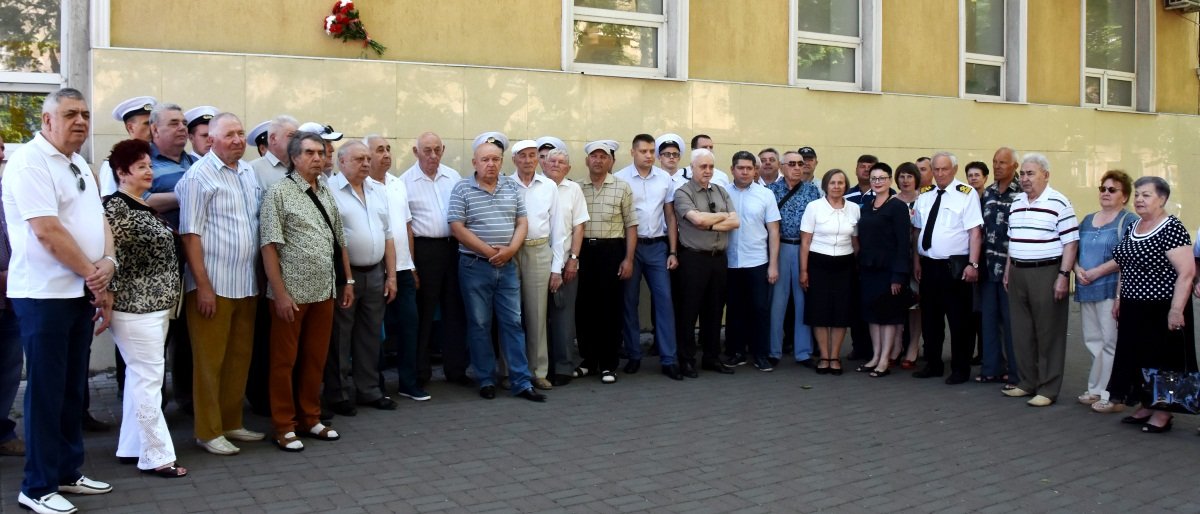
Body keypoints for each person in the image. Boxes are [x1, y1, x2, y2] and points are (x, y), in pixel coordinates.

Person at [4, 87, 116, 514]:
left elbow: (99, 218)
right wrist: (94, 276)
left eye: (85, 113)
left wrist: (108, 263)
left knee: (72, 389)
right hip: (44, 295)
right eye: (70, 114)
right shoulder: (30, 162)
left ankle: (68, 471)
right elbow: (47, 232)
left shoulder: (78, 163)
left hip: (78, 292)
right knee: (46, 392)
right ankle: (36, 487)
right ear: (47, 120)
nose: (81, 121)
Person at [175, 112, 266, 456]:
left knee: (239, 357)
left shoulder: (247, 173)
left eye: (241, 133)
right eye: (229, 134)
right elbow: (190, 234)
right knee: (209, 361)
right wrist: (203, 286)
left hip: (245, 282)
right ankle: (208, 430)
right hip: (213, 284)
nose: (238, 140)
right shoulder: (198, 176)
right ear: (211, 140)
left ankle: (231, 422)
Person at [260, 132, 354, 451]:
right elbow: (269, 246)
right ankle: (284, 425)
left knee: (315, 358)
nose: (318, 158)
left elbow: (340, 239)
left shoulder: (325, 190)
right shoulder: (279, 192)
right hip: (292, 293)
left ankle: (310, 418)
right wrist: (280, 293)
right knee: (284, 361)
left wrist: (348, 280)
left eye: (321, 153)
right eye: (310, 153)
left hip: (324, 291)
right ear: (294, 158)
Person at [102, 139, 188, 478]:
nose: (149, 171)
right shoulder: (115, 208)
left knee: (141, 376)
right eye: (141, 167)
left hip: (154, 307)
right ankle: (156, 455)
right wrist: (106, 294)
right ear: (122, 173)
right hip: (134, 307)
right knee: (149, 379)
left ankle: (131, 446)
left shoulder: (141, 204)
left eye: (149, 165)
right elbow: (106, 255)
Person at [448, 132, 545, 402]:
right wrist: (490, 252)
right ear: (474, 162)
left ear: (502, 161)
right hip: (475, 266)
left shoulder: (511, 186)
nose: (491, 164)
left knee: (513, 323)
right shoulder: (462, 188)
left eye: (495, 159)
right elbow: (457, 227)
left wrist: (511, 250)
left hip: (508, 266)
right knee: (480, 324)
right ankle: (486, 379)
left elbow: (522, 222)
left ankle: (521, 381)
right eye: (485, 159)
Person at [1101, 177, 1195, 432]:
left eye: (1146, 195)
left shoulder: (1172, 228)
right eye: (1138, 195)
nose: (1139, 199)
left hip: (1162, 307)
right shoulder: (1135, 225)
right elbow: (1125, 264)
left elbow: (1187, 272)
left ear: (1162, 199)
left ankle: (1164, 412)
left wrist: (1176, 310)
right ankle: (1147, 403)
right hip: (1134, 306)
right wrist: (1119, 297)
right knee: (1137, 356)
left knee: (1163, 359)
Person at [324, 141, 398, 414]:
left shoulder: (376, 190)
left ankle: (369, 390)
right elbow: (335, 240)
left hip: (376, 272)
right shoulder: (329, 190)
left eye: (368, 158)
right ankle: (339, 393)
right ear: (342, 161)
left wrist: (391, 276)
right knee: (341, 336)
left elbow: (388, 235)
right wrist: (347, 279)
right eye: (359, 159)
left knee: (370, 335)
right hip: (347, 275)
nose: (366, 163)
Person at [1000, 153, 1079, 407]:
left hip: (1046, 272)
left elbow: (1070, 243)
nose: (1025, 178)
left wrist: (1063, 276)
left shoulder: (1059, 202)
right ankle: (1026, 382)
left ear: (1046, 175)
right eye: (1022, 174)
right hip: (1018, 271)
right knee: (1021, 331)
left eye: (1030, 173)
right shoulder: (1016, 201)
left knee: (1048, 333)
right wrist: (1008, 270)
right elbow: (1012, 239)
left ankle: (1048, 388)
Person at [401, 132, 469, 386]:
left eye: (437, 150)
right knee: (424, 313)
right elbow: (405, 227)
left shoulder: (453, 177)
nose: (432, 155)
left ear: (443, 150)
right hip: (424, 250)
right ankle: (420, 371)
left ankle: (456, 370)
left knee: (455, 310)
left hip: (454, 248)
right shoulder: (404, 182)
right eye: (426, 150)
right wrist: (411, 264)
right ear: (415, 152)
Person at [365, 135, 429, 402]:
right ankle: (375, 385)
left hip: (403, 269)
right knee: (374, 331)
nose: (386, 154)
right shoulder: (362, 185)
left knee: (409, 326)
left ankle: (408, 382)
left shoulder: (397, 184)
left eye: (389, 149)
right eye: (380, 150)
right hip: (376, 270)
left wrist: (411, 265)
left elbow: (407, 227)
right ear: (367, 156)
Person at [613, 133, 681, 379]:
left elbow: (670, 216)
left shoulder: (664, 179)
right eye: (643, 151)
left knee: (664, 301)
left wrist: (672, 251)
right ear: (633, 152)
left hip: (658, 247)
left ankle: (668, 358)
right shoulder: (620, 178)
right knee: (629, 301)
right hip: (630, 248)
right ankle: (633, 355)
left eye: (652, 151)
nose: (649, 155)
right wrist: (625, 256)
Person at [911, 152, 982, 384]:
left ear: (954, 169)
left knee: (959, 320)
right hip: (929, 265)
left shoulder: (966, 194)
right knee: (930, 318)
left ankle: (960, 368)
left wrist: (973, 264)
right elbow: (917, 231)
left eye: (945, 169)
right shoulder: (925, 194)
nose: (940, 174)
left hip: (955, 267)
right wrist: (917, 261)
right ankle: (933, 364)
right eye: (936, 169)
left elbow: (975, 232)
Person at [1072, 170, 1135, 413]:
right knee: (1093, 341)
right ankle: (1095, 388)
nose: (1105, 193)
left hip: (1110, 288)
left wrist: (1097, 272)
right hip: (1086, 288)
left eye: (1112, 190)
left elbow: (1127, 254)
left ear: (1124, 196)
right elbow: (1074, 249)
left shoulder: (1128, 221)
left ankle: (1112, 394)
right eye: (1103, 188)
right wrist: (1077, 269)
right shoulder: (1088, 220)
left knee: (1111, 342)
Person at [575, 139, 637, 383]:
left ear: (611, 161)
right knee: (584, 308)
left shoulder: (622, 187)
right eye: (594, 156)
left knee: (610, 308)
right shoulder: (577, 187)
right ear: (587, 160)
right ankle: (588, 361)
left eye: (603, 156)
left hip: (612, 252)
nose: (598, 160)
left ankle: (609, 364)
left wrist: (628, 259)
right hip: (584, 252)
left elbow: (631, 225)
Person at [674, 149, 739, 377]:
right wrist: (719, 218)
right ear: (692, 167)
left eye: (711, 166)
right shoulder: (683, 192)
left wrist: (708, 222)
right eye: (703, 167)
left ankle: (711, 358)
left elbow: (735, 221)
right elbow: (696, 219)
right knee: (688, 311)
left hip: (718, 259)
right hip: (693, 259)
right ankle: (686, 360)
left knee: (714, 310)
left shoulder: (720, 191)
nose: (708, 171)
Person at [507, 139, 565, 389]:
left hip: (539, 251)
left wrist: (556, 267)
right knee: (510, 315)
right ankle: (508, 371)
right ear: (514, 160)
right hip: (511, 252)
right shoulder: (505, 185)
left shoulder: (548, 186)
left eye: (533, 155)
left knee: (537, 315)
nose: (529, 160)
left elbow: (558, 228)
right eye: (523, 156)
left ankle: (538, 371)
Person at [724, 151, 780, 372]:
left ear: (755, 170)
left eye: (749, 168)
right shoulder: (723, 193)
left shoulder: (766, 195)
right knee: (734, 309)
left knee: (759, 309)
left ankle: (760, 354)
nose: (745, 172)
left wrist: (773, 265)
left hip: (757, 261)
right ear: (732, 169)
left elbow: (773, 231)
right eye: (741, 168)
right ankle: (736, 352)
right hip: (730, 261)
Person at [800, 169, 860, 375]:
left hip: (845, 264)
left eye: (840, 183)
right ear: (825, 185)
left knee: (841, 312)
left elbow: (855, 241)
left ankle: (835, 357)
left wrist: (858, 266)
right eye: (832, 182)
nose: (836, 186)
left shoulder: (853, 209)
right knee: (820, 311)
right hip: (818, 263)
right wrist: (803, 271)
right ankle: (824, 356)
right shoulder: (814, 207)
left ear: (846, 186)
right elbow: (805, 242)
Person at [767, 151, 822, 367]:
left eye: (800, 163)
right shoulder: (771, 191)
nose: (797, 167)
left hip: (804, 249)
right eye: (792, 164)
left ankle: (804, 352)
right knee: (777, 302)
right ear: (782, 167)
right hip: (780, 248)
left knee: (803, 301)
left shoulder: (812, 191)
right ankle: (773, 350)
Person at [855, 163, 910, 377]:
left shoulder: (897, 207)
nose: (877, 182)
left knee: (887, 316)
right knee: (872, 315)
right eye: (874, 178)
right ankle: (875, 356)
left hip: (889, 271)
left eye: (882, 178)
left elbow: (903, 243)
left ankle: (885, 360)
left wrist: (898, 275)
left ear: (890, 180)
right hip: (869, 269)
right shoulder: (866, 206)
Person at [543, 149, 588, 386]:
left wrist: (573, 259)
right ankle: (541, 367)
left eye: (561, 162)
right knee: (538, 318)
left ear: (568, 168)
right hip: (538, 263)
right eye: (552, 161)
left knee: (563, 316)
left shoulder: (574, 190)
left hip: (566, 264)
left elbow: (579, 227)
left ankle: (563, 367)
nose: (556, 165)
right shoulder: (536, 187)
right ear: (543, 164)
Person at [977, 148, 1021, 385]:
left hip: (1010, 269)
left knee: (1012, 323)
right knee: (989, 320)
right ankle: (991, 368)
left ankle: (1016, 372)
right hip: (988, 266)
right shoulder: (989, 192)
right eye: (995, 162)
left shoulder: (1022, 193)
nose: (997, 166)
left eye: (1003, 162)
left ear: (1014, 166)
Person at [0, 133, 23, 459]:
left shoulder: (8, 188)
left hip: (13, 297)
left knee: (9, 368)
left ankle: (3, 432)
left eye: (2, 146)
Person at [892, 163, 922, 369]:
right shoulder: (892, 201)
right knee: (896, 304)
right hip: (896, 259)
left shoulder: (924, 201)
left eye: (909, 176)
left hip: (917, 259)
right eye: (902, 176)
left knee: (916, 306)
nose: (905, 180)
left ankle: (913, 346)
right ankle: (896, 346)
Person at [99, 95, 157, 197]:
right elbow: (108, 199)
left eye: (153, 123)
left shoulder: (158, 156)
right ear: (130, 128)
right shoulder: (114, 163)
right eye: (147, 124)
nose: (152, 128)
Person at [964, 161, 989, 364]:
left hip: (985, 261)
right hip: (968, 259)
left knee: (982, 310)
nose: (973, 179)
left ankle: (984, 352)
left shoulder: (989, 199)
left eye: (976, 175)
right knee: (970, 310)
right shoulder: (965, 198)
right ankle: (970, 352)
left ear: (985, 178)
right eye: (970, 175)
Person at [250, 115, 298, 190]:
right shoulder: (252, 169)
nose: (297, 141)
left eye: (297, 137)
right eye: (291, 136)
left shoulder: (300, 166)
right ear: (273, 139)